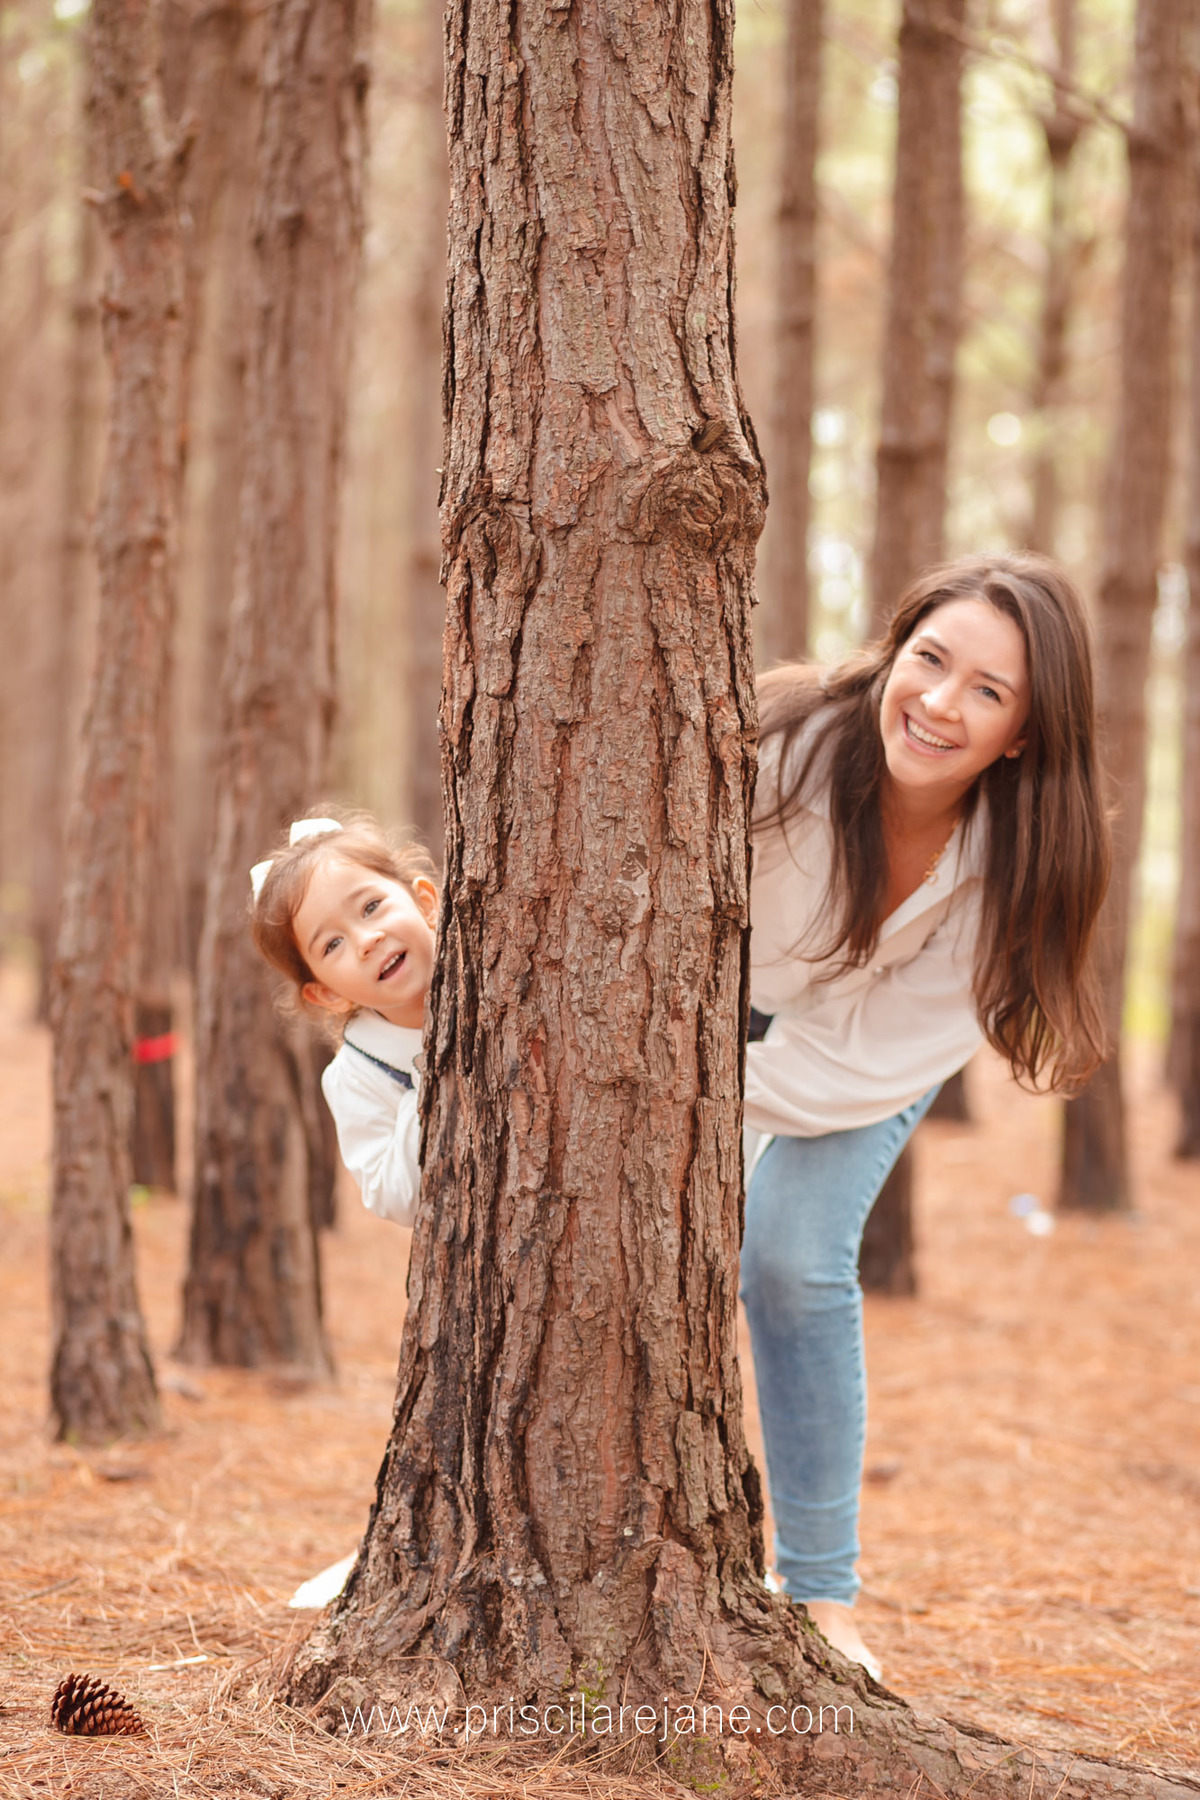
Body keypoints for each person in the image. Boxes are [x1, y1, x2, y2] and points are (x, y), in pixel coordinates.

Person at [741, 554, 1110, 1681]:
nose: (941, 703)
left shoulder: (1023, 863)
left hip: (865, 1059)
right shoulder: (783, 747)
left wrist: (689, 1093)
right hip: (714, 1005)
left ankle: (819, 1590)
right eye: (931, 660)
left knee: (793, 1259)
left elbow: (871, 1065)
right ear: (894, 652)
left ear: (1027, 734)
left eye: (988, 692)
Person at [249, 813, 439, 1228]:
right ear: (327, 993)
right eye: (333, 944)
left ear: (424, 902)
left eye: (372, 907)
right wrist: (428, 1072)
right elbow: (401, 1199)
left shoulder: (497, 970)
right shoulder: (355, 1077)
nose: (367, 940)